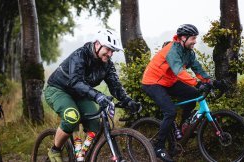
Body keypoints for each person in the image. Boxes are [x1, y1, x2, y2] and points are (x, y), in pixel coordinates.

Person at [44, 29, 142, 162]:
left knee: (95, 124)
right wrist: (97, 96)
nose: (110, 54)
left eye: (112, 51)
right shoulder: (80, 55)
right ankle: (55, 150)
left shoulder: (107, 65)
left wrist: (128, 101)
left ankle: (80, 153)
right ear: (97, 44)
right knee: (72, 117)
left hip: (80, 94)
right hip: (58, 89)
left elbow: (115, 86)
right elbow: (76, 81)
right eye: (108, 49)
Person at [141, 24, 212, 162]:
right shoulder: (172, 50)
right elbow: (179, 71)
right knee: (170, 111)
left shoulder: (188, 51)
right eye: (193, 38)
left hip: (168, 81)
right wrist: (197, 83)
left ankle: (182, 127)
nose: (195, 41)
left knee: (194, 94)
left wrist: (210, 81)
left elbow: (197, 68)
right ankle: (158, 147)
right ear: (183, 38)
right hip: (152, 82)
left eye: (195, 38)